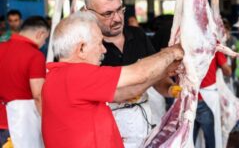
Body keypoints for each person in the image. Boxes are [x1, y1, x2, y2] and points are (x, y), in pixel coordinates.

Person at [41, 11, 184, 148]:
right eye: (99, 44)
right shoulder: (76, 75)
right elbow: (139, 72)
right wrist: (171, 52)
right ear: (82, 48)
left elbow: (125, 93)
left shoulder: (58, 76)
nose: (103, 50)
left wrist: (162, 72)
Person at [84, 0, 180, 147]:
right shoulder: (86, 47)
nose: (117, 19)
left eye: (119, 10)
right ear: (89, 13)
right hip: (107, 127)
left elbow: (156, 76)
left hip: (142, 121)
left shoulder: (138, 35)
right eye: (107, 14)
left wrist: (171, 88)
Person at [0, 16, 49, 147]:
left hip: (3, 121)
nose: (43, 43)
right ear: (40, 34)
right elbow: (38, 95)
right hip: (23, 122)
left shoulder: (1, 48)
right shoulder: (34, 55)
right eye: (45, 39)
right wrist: (48, 120)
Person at [193, 51, 232, 148]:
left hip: (190, 95)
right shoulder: (213, 44)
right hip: (207, 96)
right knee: (210, 134)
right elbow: (228, 71)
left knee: (189, 136)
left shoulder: (184, 41)